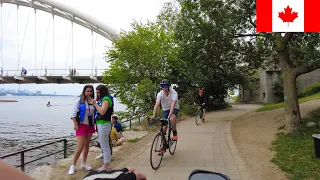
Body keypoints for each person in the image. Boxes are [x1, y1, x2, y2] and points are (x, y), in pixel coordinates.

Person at [68, 85, 95, 175]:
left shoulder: (93, 101)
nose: (89, 93)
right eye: (87, 91)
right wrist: (75, 124)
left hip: (90, 125)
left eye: (91, 91)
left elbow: (96, 112)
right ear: (84, 91)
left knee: (87, 145)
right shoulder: (79, 100)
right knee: (80, 146)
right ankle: (73, 165)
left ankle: (84, 163)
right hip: (81, 125)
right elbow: (73, 113)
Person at [89, 84, 113, 171]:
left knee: (104, 146)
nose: (97, 94)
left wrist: (95, 104)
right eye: (96, 92)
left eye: (98, 92)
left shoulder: (106, 99)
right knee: (104, 146)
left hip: (104, 124)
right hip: (102, 123)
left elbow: (102, 111)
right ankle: (107, 164)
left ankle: (106, 165)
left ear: (102, 92)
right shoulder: (103, 99)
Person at [151, 79, 179, 144]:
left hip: (174, 108)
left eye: (166, 86)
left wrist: (169, 116)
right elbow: (157, 104)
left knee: (172, 119)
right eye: (163, 87)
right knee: (164, 126)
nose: (164, 88)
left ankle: (175, 134)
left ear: (168, 87)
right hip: (165, 109)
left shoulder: (174, 93)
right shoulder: (160, 94)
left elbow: (172, 106)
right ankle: (164, 145)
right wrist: (153, 115)